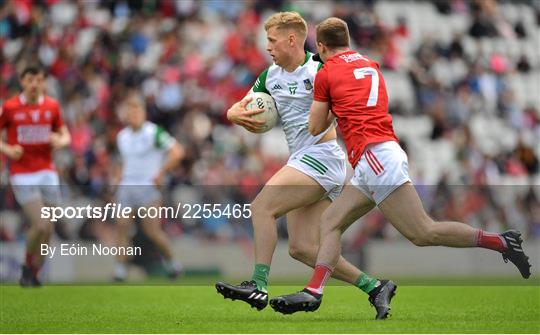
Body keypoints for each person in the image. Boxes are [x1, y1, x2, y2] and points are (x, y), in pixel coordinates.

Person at [269, 17, 532, 315]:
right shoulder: (371, 65)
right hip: (378, 154)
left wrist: (322, 105)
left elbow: (315, 126)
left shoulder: (327, 72)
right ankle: (314, 291)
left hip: (375, 158)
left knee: (423, 232)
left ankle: (501, 242)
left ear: (321, 46)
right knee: (331, 222)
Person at [215, 12, 395, 318]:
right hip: (302, 160)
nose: (268, 47)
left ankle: (258, 284)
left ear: (292, 39)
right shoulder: (269, 76)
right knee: (301, 248)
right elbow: (241, 106)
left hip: (323, 157)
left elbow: (347, 104)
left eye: (272, 40)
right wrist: (234, 113)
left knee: (261, 207)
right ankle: (375, 287)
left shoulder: (321, 68)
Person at [0, 64, 71, 287]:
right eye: (29, 80)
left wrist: (60, 141)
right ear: (22, 81)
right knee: (40, 224)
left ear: (44, 83)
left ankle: (33, 270)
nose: (34, 85)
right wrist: (8, 150)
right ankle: (26, 266)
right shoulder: (10, 107)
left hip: (47, 173)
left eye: (38, 80)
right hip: (22, 174)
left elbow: (65, 134)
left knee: (49, 228)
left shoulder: (52, 106)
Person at [113, 93, 184, 281]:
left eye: (137, 111)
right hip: (127, 186)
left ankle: (172, 263)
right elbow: (122, 161)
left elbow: (177, 152)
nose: (134, 115)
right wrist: (117, 178)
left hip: (148, 187)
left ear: (143, 113)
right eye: (130, 112)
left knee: (152, 231)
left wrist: (161, 172)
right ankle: (120, 270)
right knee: (121, 227)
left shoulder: (153, 133)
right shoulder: (122, 136)